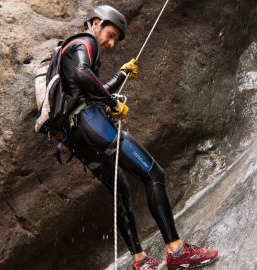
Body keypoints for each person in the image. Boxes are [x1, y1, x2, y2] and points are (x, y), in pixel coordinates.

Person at [51, 5, 219, 270]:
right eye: (110, 33)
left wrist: (121, 75)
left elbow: (86, 91)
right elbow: (85, 76)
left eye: (115, 39)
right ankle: (177, 251)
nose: (110, 42)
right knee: (154, 174)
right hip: (93, 126)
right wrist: (112, 103)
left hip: (77, 139)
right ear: (95, 22)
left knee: (121, 189)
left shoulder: (67, 51)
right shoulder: (85, 42)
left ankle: (140, 259)